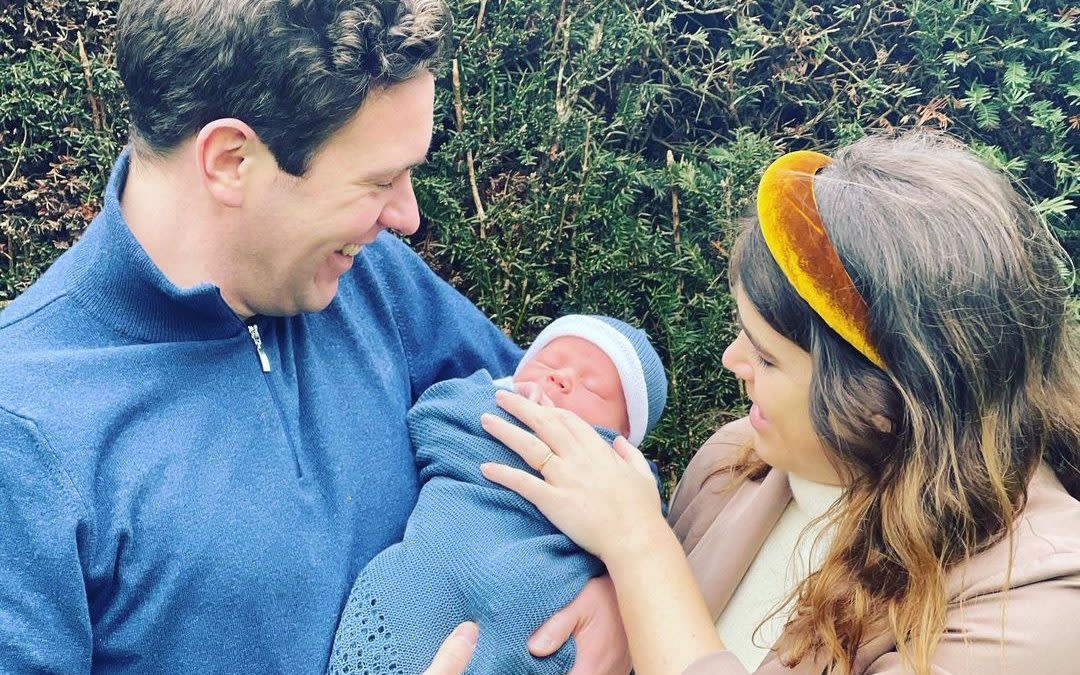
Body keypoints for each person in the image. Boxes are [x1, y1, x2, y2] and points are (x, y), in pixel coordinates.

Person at [0, 1, 630, 673]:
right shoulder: (27, 435)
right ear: (232, 160)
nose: (408, 216)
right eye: (381, 180)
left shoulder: (366, 278)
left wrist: (618, 594)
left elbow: (588, 447)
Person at [480, 131, 1080, 674]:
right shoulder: (735, 462)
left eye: (767, 357)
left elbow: (658, 580)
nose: (730, 362)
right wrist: (615, 596)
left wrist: (639, 549)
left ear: (886, 401)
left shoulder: (1034, 609)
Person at [329, 315, 668, 674]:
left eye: (593, 387)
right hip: (421, 581)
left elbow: (642, 525)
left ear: (625, 433)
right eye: (548, 363)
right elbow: (434, 415)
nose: (561, 377)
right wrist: (500, 403)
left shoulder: (624, 474)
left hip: (540, 619)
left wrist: (623, 595)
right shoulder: (479, 402)